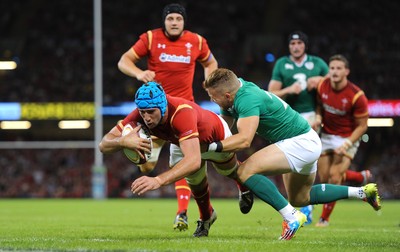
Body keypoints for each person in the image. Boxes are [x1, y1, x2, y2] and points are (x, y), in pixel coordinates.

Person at [203, 68, 381, 240]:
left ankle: (291, 217)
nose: (212, 100)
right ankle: (363, 193)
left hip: (299, 143)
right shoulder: (233, 94)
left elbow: (244, 140)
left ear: (227, 95)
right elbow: (223, 129)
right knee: (301, 198)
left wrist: (209, 148)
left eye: (213, 97)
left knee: (245, 172)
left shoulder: (246, 99)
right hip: (304, 141)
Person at [117, 3, 241, 231]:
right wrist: (139, 72)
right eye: (170, 18)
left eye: (178, 19)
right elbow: (123, 61)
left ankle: (182, 212)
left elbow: (210, 62)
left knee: (183, 161)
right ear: (164, 21)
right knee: (145, 166)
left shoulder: (197, 41)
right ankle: (188, 204)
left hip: (182, 113)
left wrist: (209, 79)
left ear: (184, 22)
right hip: (152, 113)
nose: (174, 22)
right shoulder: (150, 39)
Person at [99, 82, 253, 237]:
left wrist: (158, 180)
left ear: (163, 106)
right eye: (142, 112)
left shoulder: (181, 113)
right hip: (183, 141)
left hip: (214, 137)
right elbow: (103, 145)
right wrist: (121, 141)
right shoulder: (142, 112)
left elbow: (194, 161)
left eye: (151, 112)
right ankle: (207, 217)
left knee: (229, 170)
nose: (146, 118)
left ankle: (243, 185)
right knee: (195, 181)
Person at [268, 31, 371, 224]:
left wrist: (320, 86)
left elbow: (330, 87)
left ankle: (308, 209)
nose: (296, 46)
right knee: (292, 164)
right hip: (287, 118)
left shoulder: (319, 64)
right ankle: (355, 179)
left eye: (299, 43)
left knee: (311, 165)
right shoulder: (281, 64)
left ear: (305, 45)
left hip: (311, 121)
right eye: (292, 43)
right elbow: (271, 94)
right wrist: (288, 90)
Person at [309, 54, 370, 227]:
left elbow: (362, 126)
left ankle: (324, 219)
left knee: (334, 178)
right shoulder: (322, 85)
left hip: (347, 137)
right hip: (327, 136)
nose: (334, 71)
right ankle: (358, 177)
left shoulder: (357, 96)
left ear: (346, 71)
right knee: (324, 176)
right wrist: (318, 118)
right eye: (332, 68)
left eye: (338, 68)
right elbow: (320, 106)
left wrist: (348, 143)